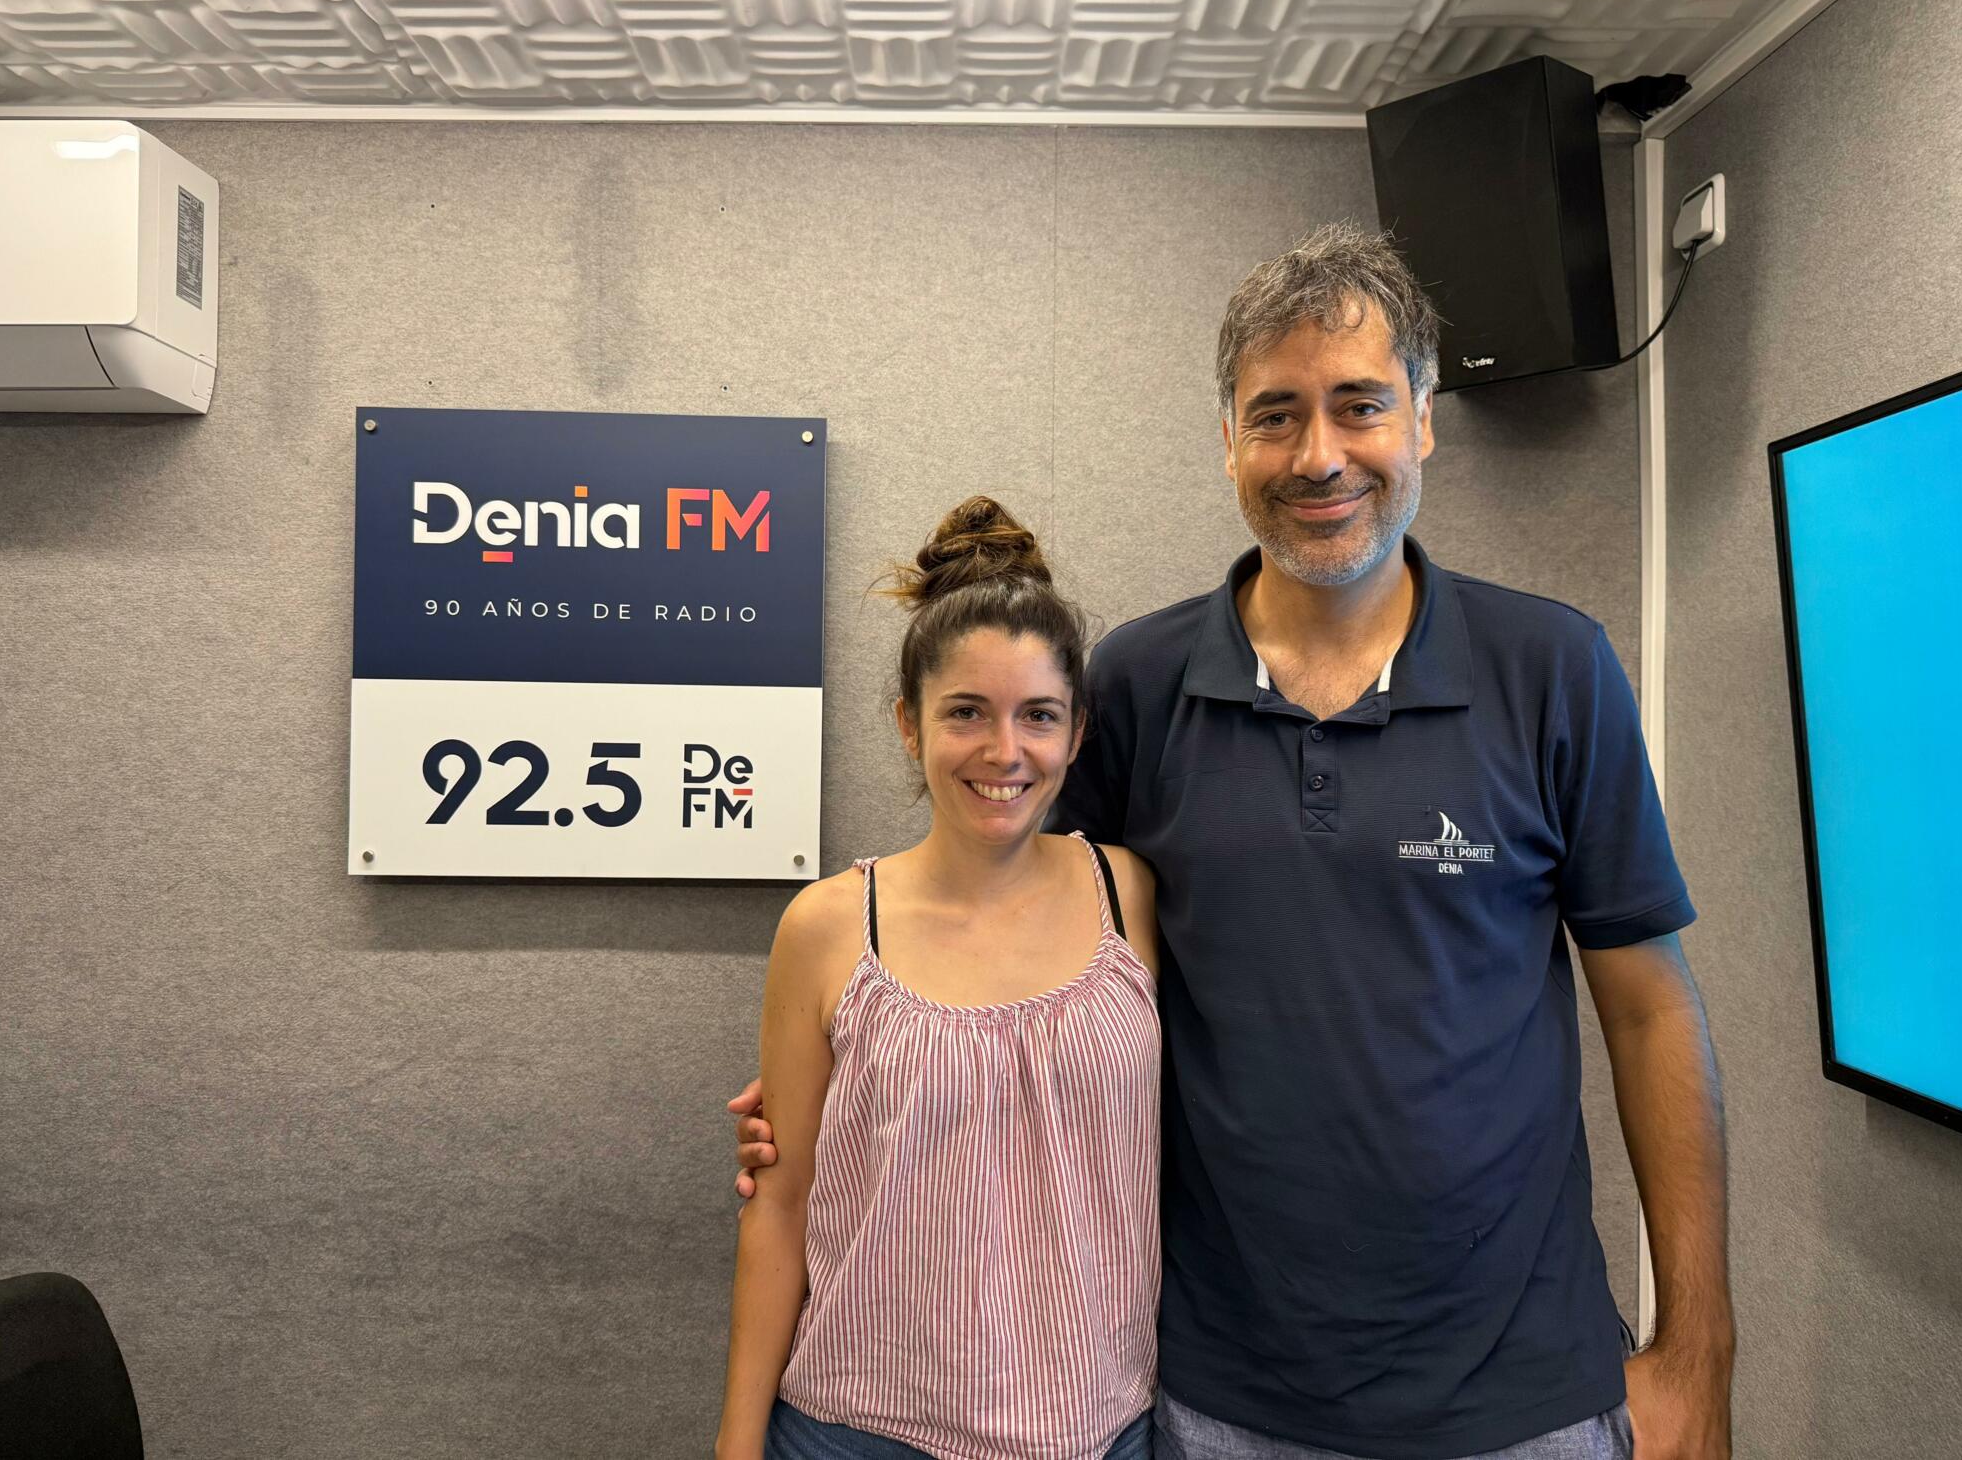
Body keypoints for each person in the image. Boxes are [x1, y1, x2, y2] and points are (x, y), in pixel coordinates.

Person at [732, 224, 1733, 1460]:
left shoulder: (1552, 670)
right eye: (1274, 415)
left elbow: (1648, 1010)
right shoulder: (1137, 686)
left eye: (1358, 405)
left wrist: (1697, 1349)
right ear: (1226, 441)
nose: (1318, 455)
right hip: (1218, 1401)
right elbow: (1009, 931)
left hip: (1522, 1393)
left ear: (1422, 420)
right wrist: (832, 1074)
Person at [716, 497, 1165, 1460]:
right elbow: (780, 1208)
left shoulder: (1131, 898)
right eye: (966, 712)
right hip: (859, 1428)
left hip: (1098, 1425)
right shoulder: (829, 928)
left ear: (1077, 732)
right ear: (909, 727)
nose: (1005, 751)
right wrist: (737, 1445)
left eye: (1038, 715)